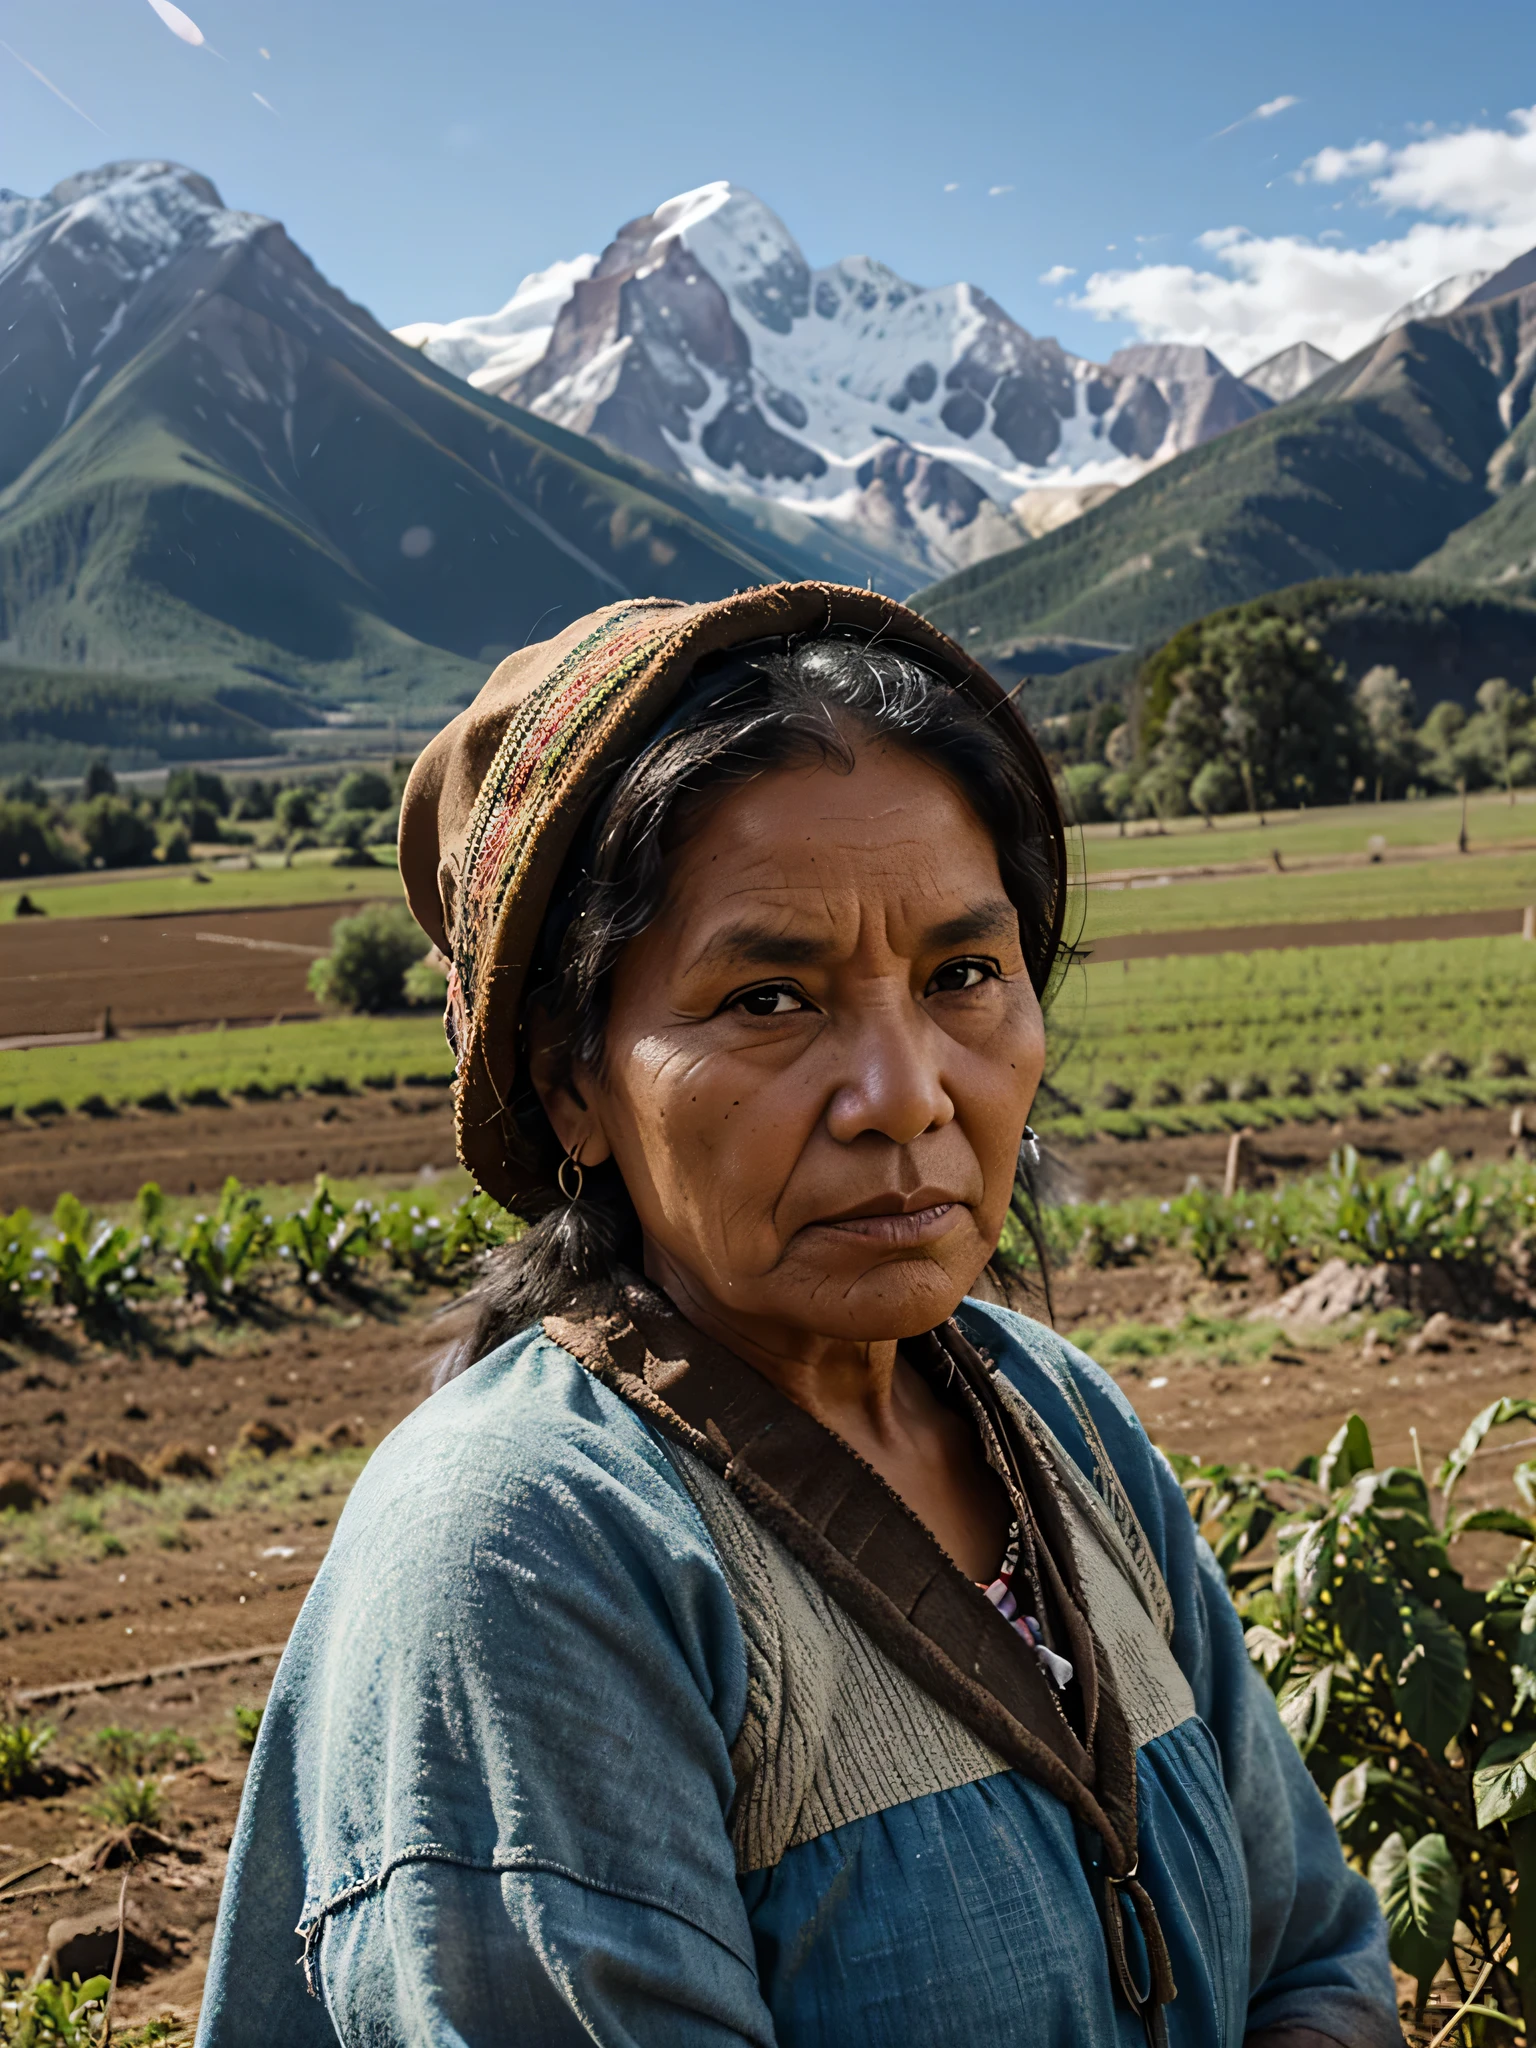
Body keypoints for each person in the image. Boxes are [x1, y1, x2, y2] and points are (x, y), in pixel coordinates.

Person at [197, 584, 1400, 2047]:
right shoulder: (530, 1545)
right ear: (571, 1077)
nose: (904, 1094)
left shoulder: (1059, 1419)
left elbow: (1314, 1956)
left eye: (965, 974)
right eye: (770, 998)